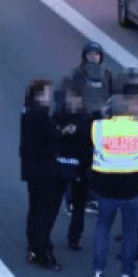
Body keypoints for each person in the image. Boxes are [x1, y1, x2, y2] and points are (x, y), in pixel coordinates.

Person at [89, 90, 138, 277]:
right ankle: (127, 273)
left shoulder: (99, 126)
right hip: (134, 185)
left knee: (102, 228)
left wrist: (99, 113)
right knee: (130, 230)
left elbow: (88, 134)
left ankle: (98, 271)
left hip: (106, 184)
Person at [20, 79, 76, 271]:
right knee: (46, 212)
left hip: (31, 169)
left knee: (34, 210)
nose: (50, 95)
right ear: (40, 95)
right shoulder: (40, 114)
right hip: (45, 170)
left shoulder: (28, 112)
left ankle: (33, 248)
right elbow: (52, 135)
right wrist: (65, 130)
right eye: (48, 92)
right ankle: (44, 251)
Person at [62, 41, 116, 214]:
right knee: (75, 164)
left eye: (96, 54)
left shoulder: (107, 75)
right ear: (84, 56)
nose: (93, 57)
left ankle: (91, 198)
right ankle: (72, 201)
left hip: (100, 126)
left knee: (96, 164)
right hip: (80, 124)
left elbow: (115, 96)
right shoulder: (76, 75)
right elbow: (67, 99)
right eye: (90, 54)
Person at [53, 85, 93, 251]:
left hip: (80, 166)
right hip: (61, 164)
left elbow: (91, 142)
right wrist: (63, 132)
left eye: (76, 98)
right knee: (52, 203)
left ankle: (74, 238)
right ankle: (46, 234)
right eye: (70, 98)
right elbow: (50, 137)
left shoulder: (87, 118)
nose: (73, 101)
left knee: (79, 206)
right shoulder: (58, 116)